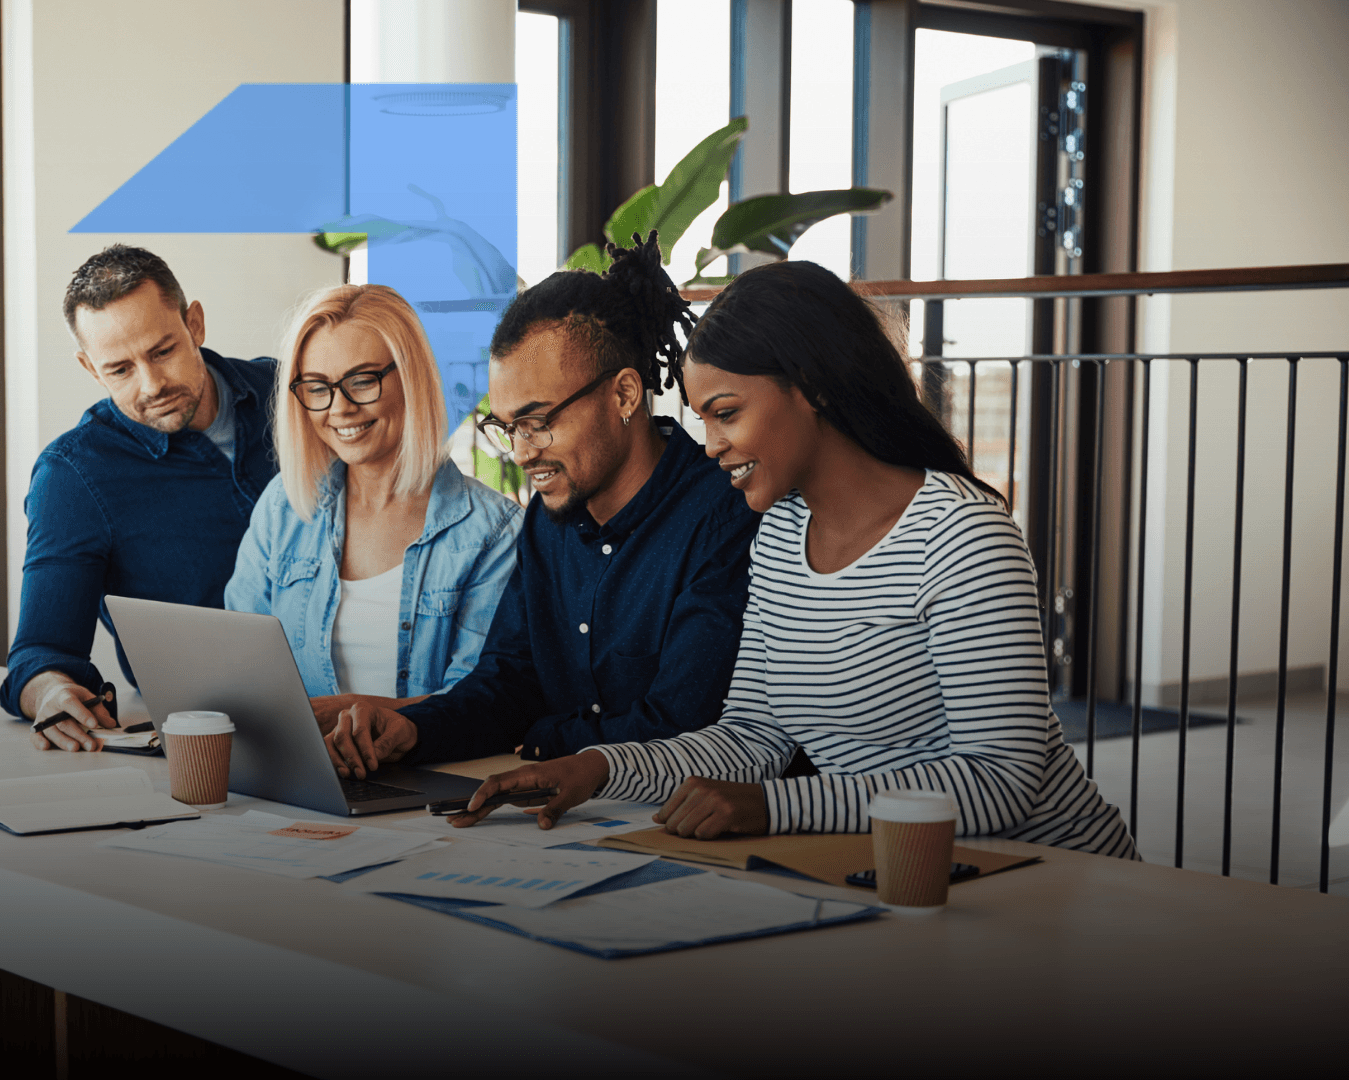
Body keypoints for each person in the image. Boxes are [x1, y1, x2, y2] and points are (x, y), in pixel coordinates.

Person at [453, 260, 1138, 859]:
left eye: (725, 412)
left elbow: (1001, 781)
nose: (711, 444)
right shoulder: (781, 534)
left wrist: (776, 808)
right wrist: (600, 769)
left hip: (1054, 873)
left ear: (809, 387)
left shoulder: (961, 536)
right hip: (907, 871)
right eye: (701, 418)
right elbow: (753, 737)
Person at [323, 234, 759, 776]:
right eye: (508, 428)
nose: (523, 453)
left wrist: (542, 736)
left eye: (538, 422)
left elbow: (680, 724)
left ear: (624, 395)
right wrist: (414, 729)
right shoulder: (546, 524)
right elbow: (507, 682)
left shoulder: (723, 519)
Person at [1, 245, 278, 751]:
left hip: (369, 703)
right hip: (210, 735)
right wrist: (51, 691)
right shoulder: (75, 475)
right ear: (89, 367)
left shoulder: (296, 394)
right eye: (120, 370)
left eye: (162, 351)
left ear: (194, 323)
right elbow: (41, 651)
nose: (152, 385)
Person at [224, 286, 522, 728]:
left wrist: (346, 711)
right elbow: (238, 661)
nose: (339, 408)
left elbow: (478, 700)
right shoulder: (283, 509)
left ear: (411, 377)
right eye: (318, 387)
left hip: (428, 779)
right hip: (297, 774)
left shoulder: (494, 531)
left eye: (362, 381)